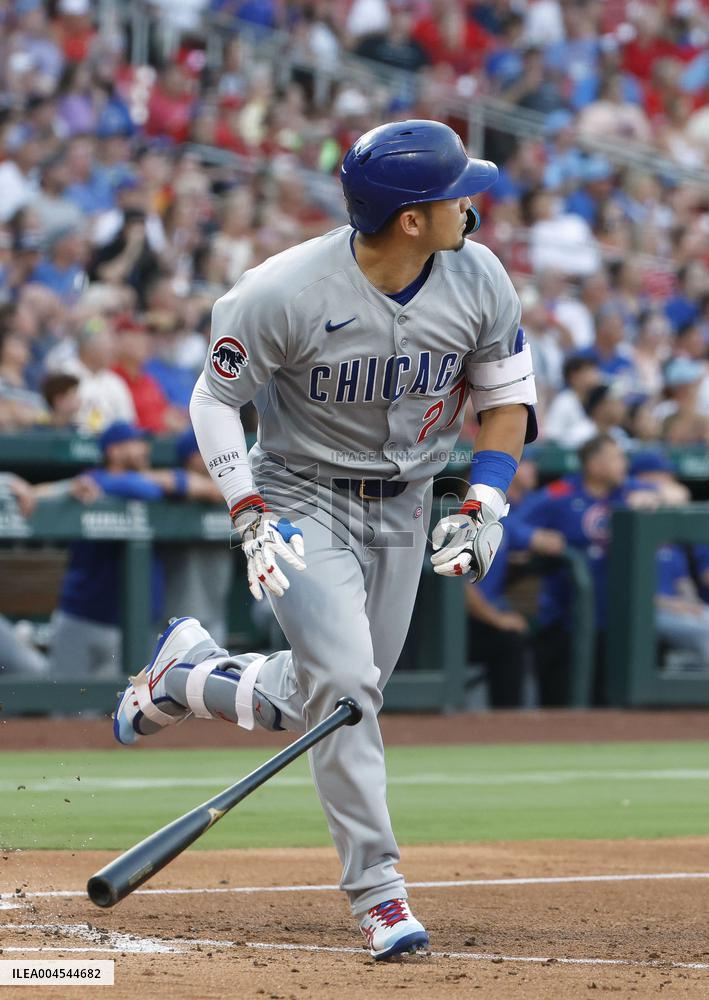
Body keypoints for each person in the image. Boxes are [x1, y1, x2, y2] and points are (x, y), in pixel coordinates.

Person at [113, 120, 537, 960]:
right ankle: (380, 894)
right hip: (302, 497)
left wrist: (485, 499)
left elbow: (504, 396)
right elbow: (210, 401)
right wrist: (246, 510)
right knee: (347, 686)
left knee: (319, 697)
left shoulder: (477, 274)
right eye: (457, 192)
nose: (472, 203)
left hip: (410, 501)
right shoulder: (279, 291)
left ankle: (191, 676)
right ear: (410, 218)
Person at [49, 421, 207, 678]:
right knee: (63, 712)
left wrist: (153, 481)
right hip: (82, 619)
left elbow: (210, 490)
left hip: (135, 627)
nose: (144, 448)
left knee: (129, 711)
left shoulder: (148, 482)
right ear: (114, 451)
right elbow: (138, 488)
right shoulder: (91, 480)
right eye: (135, 442)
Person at [520, 434, 658, 706]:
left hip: (615, 620)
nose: (623, 464)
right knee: (562, 702)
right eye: (616, 458)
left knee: (611, 704)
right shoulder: (561, 494)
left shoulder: (626, 490)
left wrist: (653, 496)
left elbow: (677, 492)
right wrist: (536, 538)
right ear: (594, 465)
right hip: (566, 619)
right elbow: (513, 521)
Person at [466, 459, 565, 707]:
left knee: (519, 639)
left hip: (480, 618)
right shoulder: (462, 517)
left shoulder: (501, 517)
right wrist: (497, 619)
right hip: (444, 626)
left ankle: (509, 725)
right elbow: (458, 587)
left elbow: (549, 543)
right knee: (509, 639)